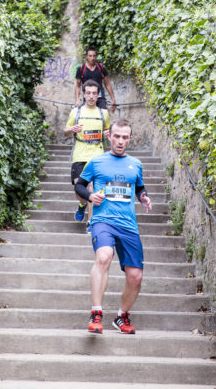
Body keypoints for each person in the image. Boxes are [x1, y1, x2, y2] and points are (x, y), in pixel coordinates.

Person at [74, 119, 152, 335]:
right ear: (109, 136)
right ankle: (96, 313)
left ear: (130, 138)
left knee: (136, 275)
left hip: (128, 225)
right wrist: (90, 196)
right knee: (104, 256)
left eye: (124, 137)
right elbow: (79, 185)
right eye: (116, 136)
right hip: (103, 221)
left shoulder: (135, 164)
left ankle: (121, 316)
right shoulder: (97, 162)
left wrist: (143, 197)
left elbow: (139, 187)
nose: (120, 141)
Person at [64, 80, 110, 223]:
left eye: (94, 93)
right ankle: (82, 205)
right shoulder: (75, 112)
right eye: (88, 93)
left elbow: (106, 131)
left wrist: (107, 134)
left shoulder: (104, 113)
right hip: (79, 154)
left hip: (97, 154)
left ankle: (91, 222)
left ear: (98, 95)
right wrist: (71, 130)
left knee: (93, 188)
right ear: (83, 94)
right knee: (80, 190)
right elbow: (65, 132)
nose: (91, 96)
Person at [75, 46, 116, 113]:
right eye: (90, 56)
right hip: (88, 97)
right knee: (87, 117)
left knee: (104, 116)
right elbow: (78, 86)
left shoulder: (101, 67)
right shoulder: (81, 68)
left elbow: (107, 84)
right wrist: (77, 100)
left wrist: (113, 99)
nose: (92, 58)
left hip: (100, 97)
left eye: (94, 56)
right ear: (86, 56)